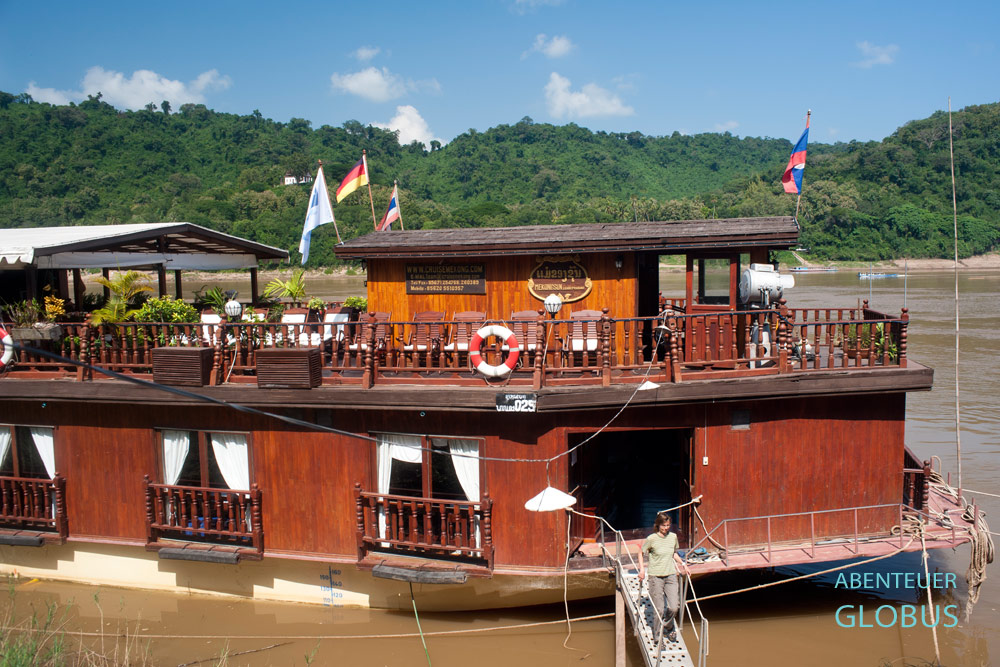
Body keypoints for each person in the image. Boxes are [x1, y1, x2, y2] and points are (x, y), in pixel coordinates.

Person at [638, 512, 688, 643]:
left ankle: (669, 626)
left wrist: (683, 564)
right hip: (656, 576)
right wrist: (642, 570)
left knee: (674, 607)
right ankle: (657, 635)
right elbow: (640, 553)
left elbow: (673, 554)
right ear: (658, 525)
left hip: (670, 575)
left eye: (668, 525)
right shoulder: (651, 539)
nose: (666, 528)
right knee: (659, 609)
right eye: (663, 525)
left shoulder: (673, 537)